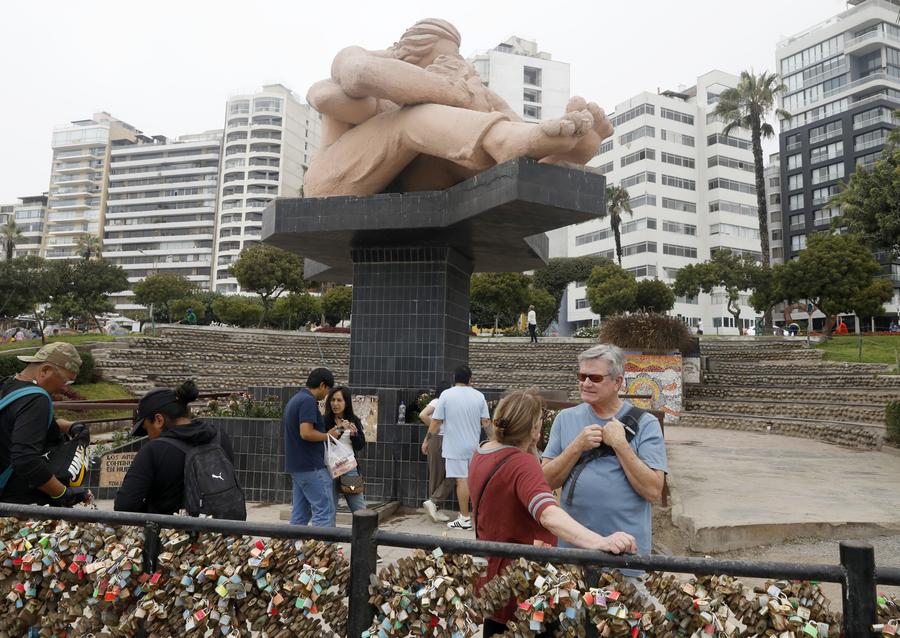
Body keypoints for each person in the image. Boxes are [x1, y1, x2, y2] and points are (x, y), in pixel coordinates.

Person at [303, 18, 612, 198]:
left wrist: (551, 142)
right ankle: (502, 142)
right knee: (413, 119)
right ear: (407, 58)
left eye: (457, 59)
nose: (456, 66)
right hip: (331, 183)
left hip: (411, 181)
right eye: (442, 59)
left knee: (468, 125)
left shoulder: (458, 91)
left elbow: (519, 130)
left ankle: (560, 158)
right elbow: (330, 94)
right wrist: (453, 91)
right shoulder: (367, 73)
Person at [472, 389, 637, 637]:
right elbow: (548, 514)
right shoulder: (521, 463)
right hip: (525, 586)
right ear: (535, 429)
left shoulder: (482, 452)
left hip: (492, 578)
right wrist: (600, 541)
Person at [542, 344, 668, 577]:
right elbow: (544, 482)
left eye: (595, 377)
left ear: (618, 382)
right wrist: (576, 447)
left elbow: (653, 490)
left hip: (626, 556)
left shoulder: (646, 423)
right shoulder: (565, 419)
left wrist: (620, 444)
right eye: (582, 376)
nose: (586, 383)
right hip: (574, 553)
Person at [114, 380, 240, 517]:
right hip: (221, 534)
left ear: (158, 420)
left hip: (172, 536)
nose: (148, 436)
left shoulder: (153, 451)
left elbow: (124, 506)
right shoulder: (219, 437)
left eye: (146, 429)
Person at [0, 343, 91, 507]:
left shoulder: (8, 385)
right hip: (18, 502)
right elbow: (25, 459)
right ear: (45, 371)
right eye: (66, 381)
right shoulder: (37, 399)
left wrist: (71, 426)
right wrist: (63, 493)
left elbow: (26, 423)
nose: (64, 388)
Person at [424, 364, 490, 530]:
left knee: (461, 481)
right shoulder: (479, 396)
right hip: (474, 447)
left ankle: (464, 519)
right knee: (472, 481)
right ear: (470, 379)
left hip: (454, 447)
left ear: (455, 379)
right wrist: (495, 441)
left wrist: (427, 440)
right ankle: (477, 516)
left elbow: (436, 422)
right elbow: (486, 423)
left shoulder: (446, 395)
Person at [284, 368, 339, 527]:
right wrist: (329, 436)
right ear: (322, 385)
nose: (327, 394)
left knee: (300, 515)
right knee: (325, 511)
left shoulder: (296, 399)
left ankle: (296, 551)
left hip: (298, 467)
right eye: (328, 389)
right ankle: (324, 550)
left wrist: (324, 433)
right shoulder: (308, 401)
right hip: (312, 467)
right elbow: (306, 433)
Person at [323, 386, 366, 512]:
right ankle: (329, 532)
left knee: (359, 509)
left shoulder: (354, 419)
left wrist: (354, 435)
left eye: (339, 400)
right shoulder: (325, 420)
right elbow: (326, 440)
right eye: (333, 400)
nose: (335, 404)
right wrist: (341, 428)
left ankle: (363, 531)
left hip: (349, 469)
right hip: (329, 470)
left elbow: (360, 445)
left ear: (346, 402)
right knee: (329, 510)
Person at [419, 381, 453, 522]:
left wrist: (427, 439)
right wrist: (437, 428)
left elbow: (425, 417)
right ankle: (435, 506)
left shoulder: (439, 401)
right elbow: (423, 415)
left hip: (437, 440)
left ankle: (434, 504)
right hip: (441, 439)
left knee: (437, 474)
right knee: (448, 474)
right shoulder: (438, 401)